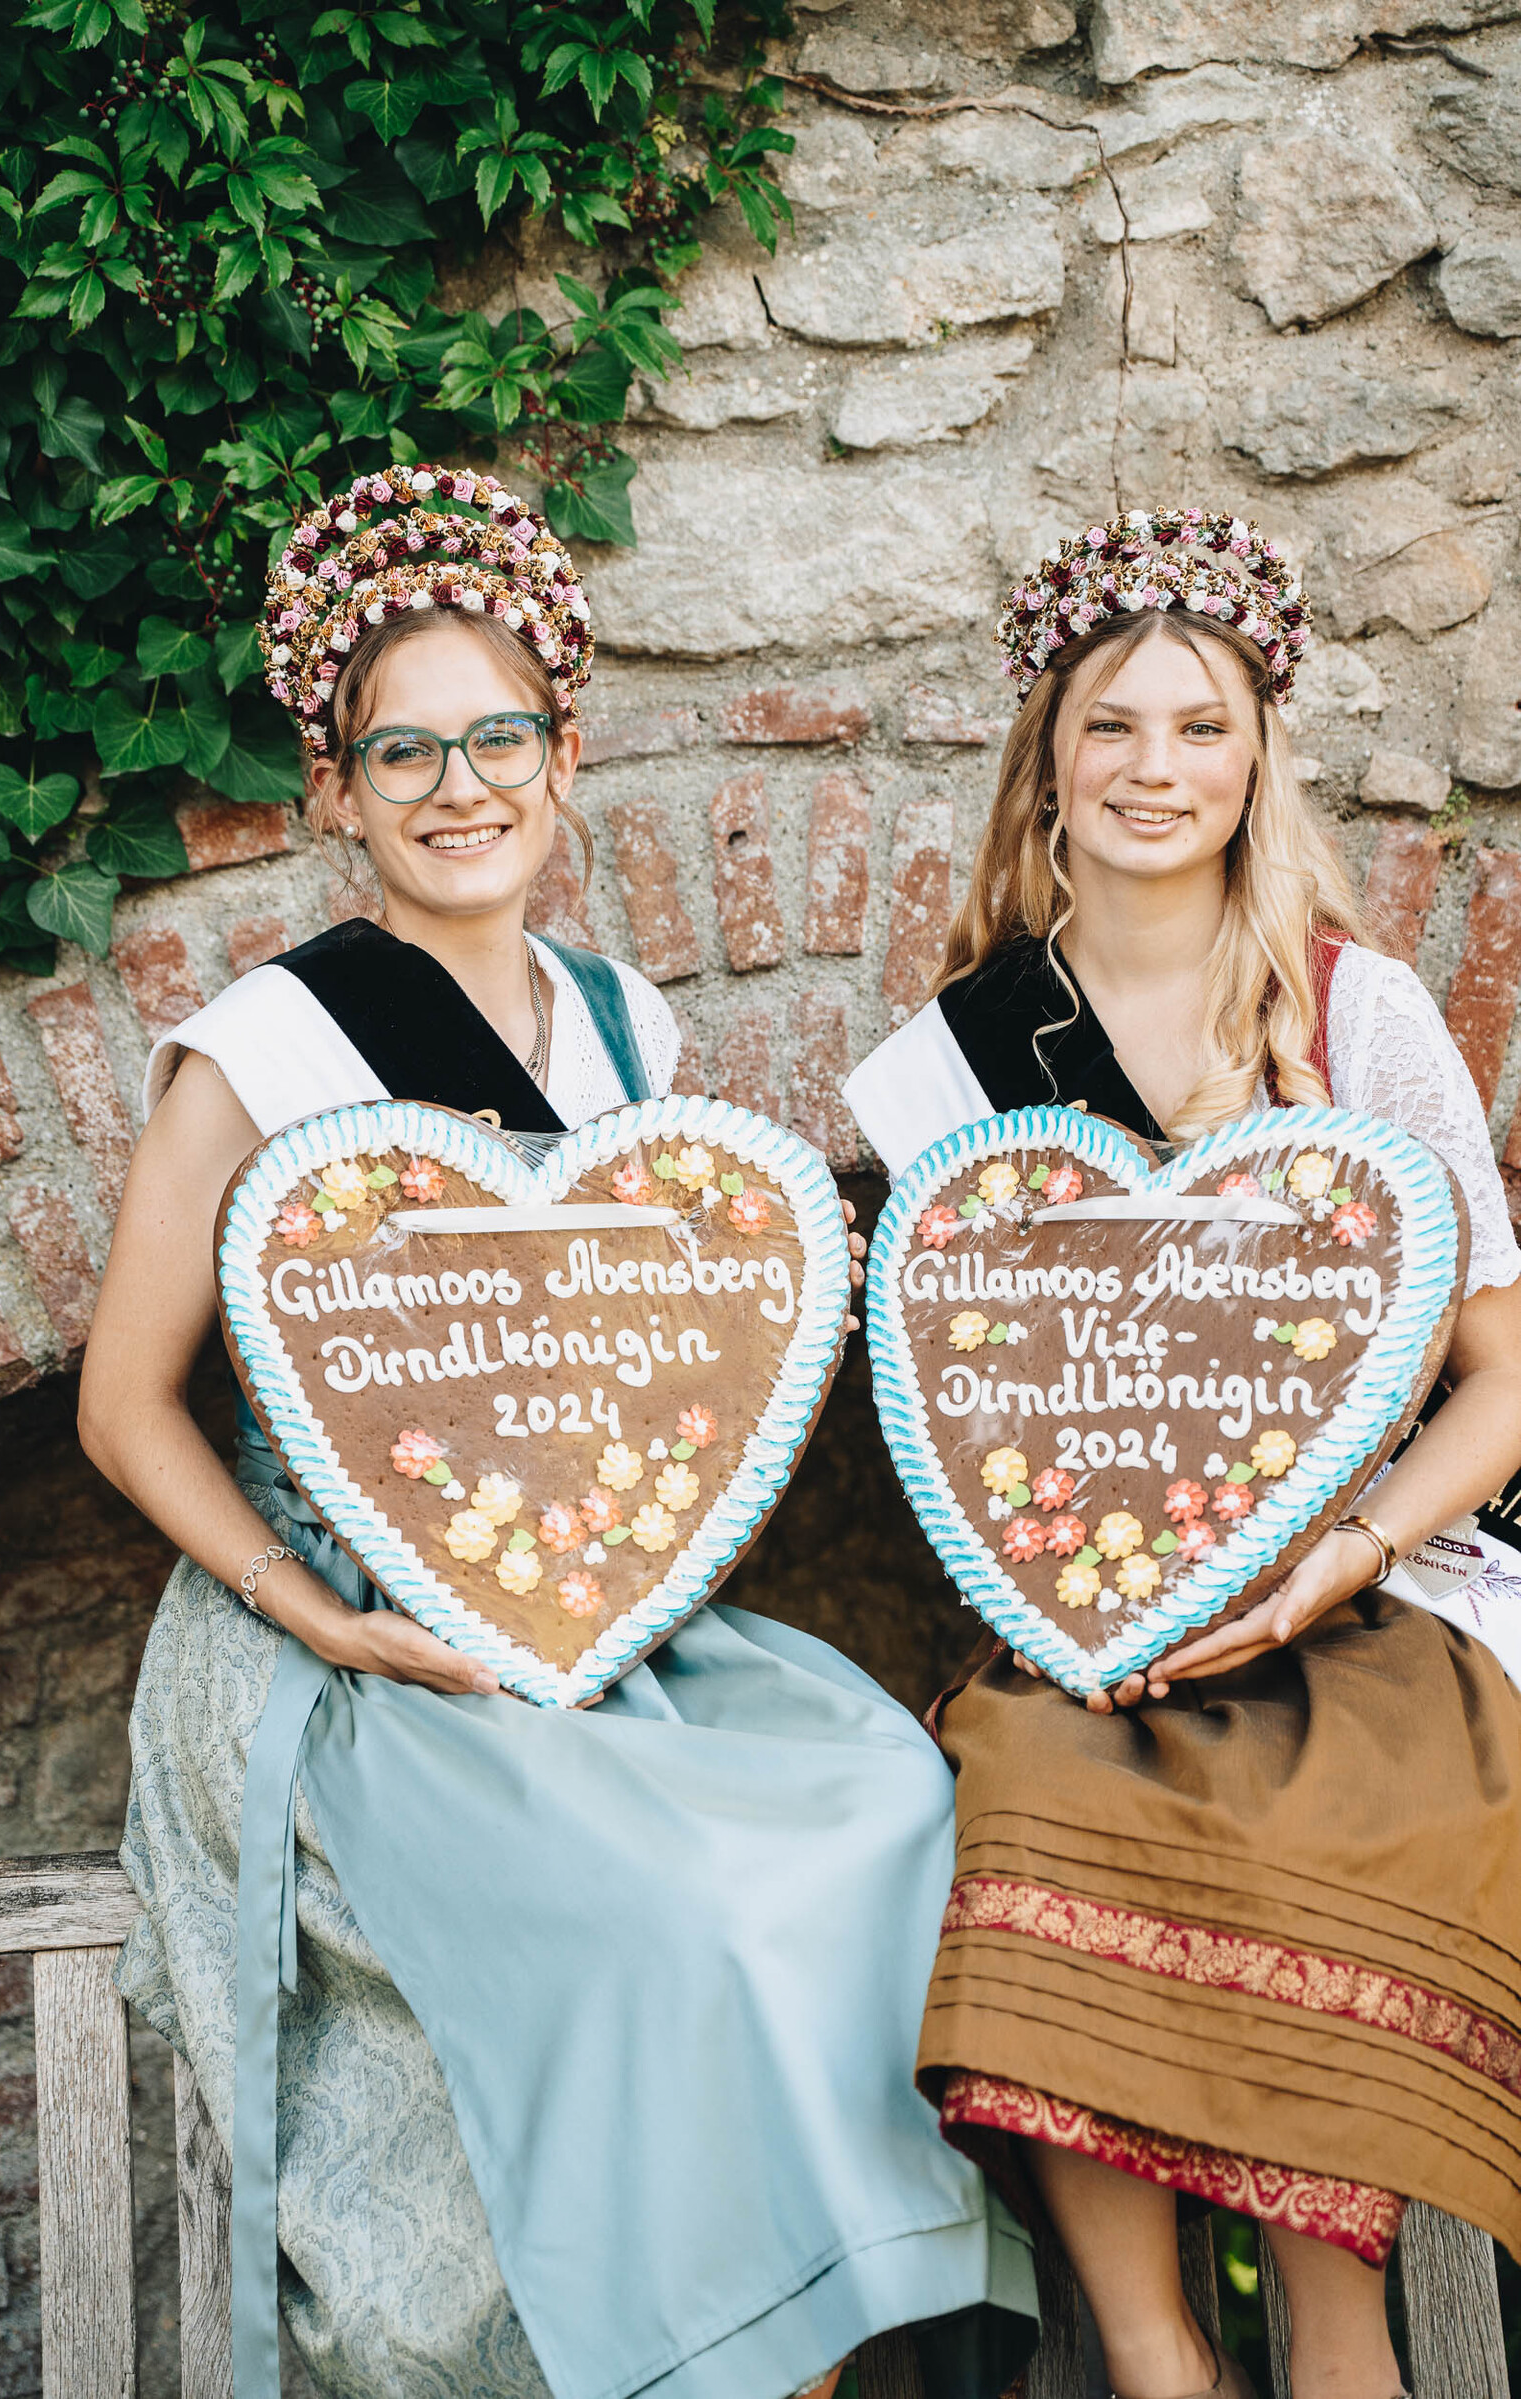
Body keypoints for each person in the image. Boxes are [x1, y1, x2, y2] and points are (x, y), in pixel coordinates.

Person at [81, 463, 1037, 2399]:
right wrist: (317, 1613)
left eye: (499, 737)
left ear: (565, 755)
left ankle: (812, 2332)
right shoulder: (266, 1049)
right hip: (349, 1634)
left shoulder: (623, 1033)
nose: (460, 788)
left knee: (880, 1803)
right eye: (403, 752)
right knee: (674, 1916)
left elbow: (652, 1362)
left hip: (579, 1598)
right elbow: (119, 1404)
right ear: (336, 792)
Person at [842, 507, 1521, 2399]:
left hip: (1370, 1584)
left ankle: (1340, 2348)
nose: (1158, 769)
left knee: (1333, 1819)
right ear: (1048, 759)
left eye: (1202, 727)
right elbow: (969, 1409)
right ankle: (1162, 2366)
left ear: (1256, 758)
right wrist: (1076, 1596)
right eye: (1115, 727)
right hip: (1091, 1600)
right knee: (1020, 1801)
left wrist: (1343, 1555)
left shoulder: (1354, 1009)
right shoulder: (953, 1064)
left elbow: (1505, 1378)